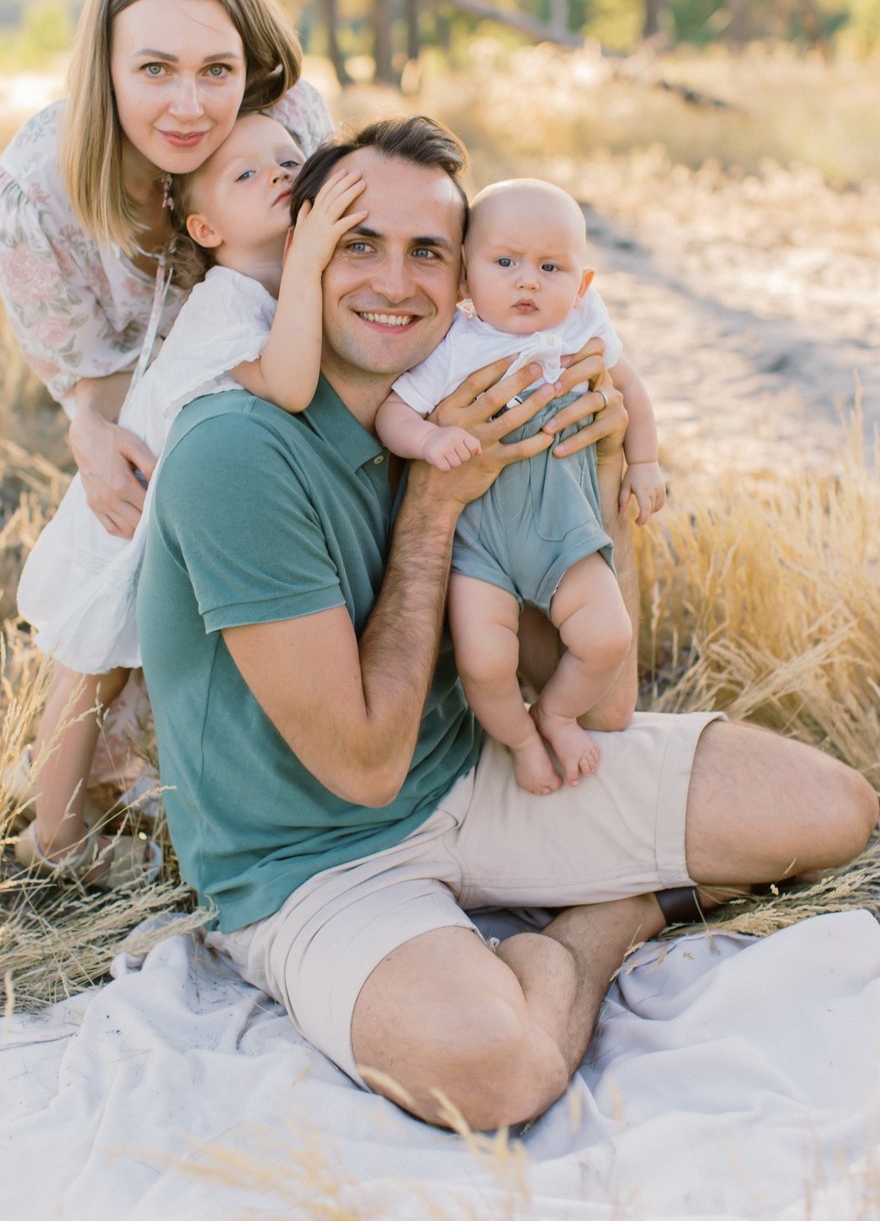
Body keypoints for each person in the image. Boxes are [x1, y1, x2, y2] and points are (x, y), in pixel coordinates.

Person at [136, 114, 877, 1132]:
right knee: (490, 1073)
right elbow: (361, 770)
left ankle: (552, 912)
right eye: (359, 243)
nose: (394, 282)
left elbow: (601, 697)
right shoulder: (238, 451)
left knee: (829, 810)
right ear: (301, 246)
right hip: (310, 861)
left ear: (468, 278)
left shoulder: (472, 403)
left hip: (472, 773)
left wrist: (595, 474)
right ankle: (604, 921)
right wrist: (436, 507)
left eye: (428, 253)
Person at [0, 0, 331, 848]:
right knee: (107, 629)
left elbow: (332, 278)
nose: (190, 106)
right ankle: (61, 828)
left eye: (218, 69)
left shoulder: (287, 127)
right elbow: (91, 383)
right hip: (153, 425)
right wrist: (90, 435)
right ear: (104, 67)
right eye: (155, 69)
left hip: (254, 416)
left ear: (252, 66)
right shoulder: (36, 188)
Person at [11, 114, 365, 884]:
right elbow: (290, 385)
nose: (277, 173)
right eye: (247, 175)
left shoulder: (277, 287)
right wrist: (307, 264)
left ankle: (88, 797)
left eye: (288, 159)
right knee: (90, 668)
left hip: (169, 511)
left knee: (117, 672)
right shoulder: (228, 302)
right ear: (204, 227)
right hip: (128, 509)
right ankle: (55, 836)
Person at [375, 177, 663, 794]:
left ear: (583, 284)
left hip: (564, 530)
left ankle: (555, 714)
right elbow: (394, 412)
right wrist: (427, 442)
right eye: (504, 262)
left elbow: (632, 390)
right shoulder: (455, 342)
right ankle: (522, 740)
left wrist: (642, 463)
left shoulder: (583, 327)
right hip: (482, 544)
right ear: (465, 279)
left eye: (550, 266)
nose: (527, 280)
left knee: (608, 636)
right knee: (485, 663)